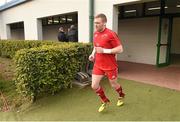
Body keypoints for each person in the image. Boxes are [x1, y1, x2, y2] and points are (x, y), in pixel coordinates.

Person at [89, 13, 125, 112]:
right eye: (94, 23)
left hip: (110, 66)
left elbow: (120, 49)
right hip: (98, 65)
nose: (95, 25)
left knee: (114, 85)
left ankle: (121, 95)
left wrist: (105, 51)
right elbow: (96, 46)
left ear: (104, 23)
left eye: (97, 23)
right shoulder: (95, 33)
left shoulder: (111, 34)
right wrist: (93, 54)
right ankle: (104, 101)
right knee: (94, 86)